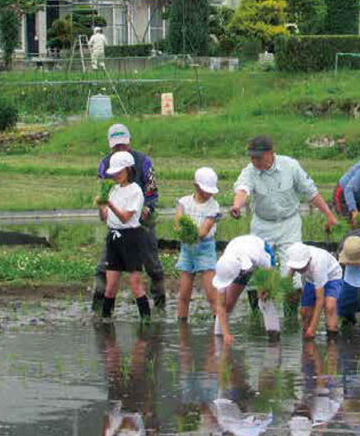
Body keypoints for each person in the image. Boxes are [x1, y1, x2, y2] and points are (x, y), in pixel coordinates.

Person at [92, 124, 165, 312]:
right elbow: (105, 191)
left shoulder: (144, 162)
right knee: (104, 265)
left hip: (141, 217)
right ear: (110, 146)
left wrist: (146, 208)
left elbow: (151, 190)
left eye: (123, 145)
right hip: (117, 221)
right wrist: (103, 206)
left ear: (129, 142)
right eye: (116, 146)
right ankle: (98, 305)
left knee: (152, 263)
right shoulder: (105, 164)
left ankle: (160, 302)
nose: (120, 149)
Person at [230, 134, 338, 256]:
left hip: (289, 225)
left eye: (259, 158)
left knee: (292, 266)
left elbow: (310, 192)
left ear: (271, 153)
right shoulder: (249, 171)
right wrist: (237, 206)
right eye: (252, 158)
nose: (255, 162)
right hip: (262, 225)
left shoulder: (291, 166)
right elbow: (242, 190)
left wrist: (328, 214)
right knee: (260, 267)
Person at [98, 150, 151, 321]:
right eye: (114, 173)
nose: (116, 176)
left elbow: (125, 217)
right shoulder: (113, 189)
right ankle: (105, 320)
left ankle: (146, 320)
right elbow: (105, 218)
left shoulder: (135, 191)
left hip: (131, 238)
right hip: (113, 238)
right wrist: (102, 207)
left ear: (128, 170)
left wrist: (110, 204)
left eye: (119, 172)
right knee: (110, 286)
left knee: (135, 285)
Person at [174, 167, 221, 322]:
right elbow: (178, 223)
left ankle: (219, 326)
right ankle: (182, 325)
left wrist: (188, 236)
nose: (209, 194)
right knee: (184, 294)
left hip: (205, 249)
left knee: (212, 295)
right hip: (186, 249)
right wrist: (182, 233)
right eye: (205, 190)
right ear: (196, 186)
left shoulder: (213, 206)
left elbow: (203, 231)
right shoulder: (184, 202)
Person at [211, 234, 276, 345]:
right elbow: (221, 305)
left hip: (261, 253)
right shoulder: (224, 268)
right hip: (238, 255)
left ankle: (274, 337)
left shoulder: (257, 256)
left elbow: (269, 271)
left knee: (265, 300)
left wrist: (265, 287)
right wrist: (226, 334)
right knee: (228, 303)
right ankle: (218, 338)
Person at [285, 243, 344, 340]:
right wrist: (287, 292)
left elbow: (319, 299)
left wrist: (313, 328)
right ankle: (307, 345)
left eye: (302, 267)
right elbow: (288, 277)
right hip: (311, 280)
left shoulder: (318, 264)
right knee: (305, 313)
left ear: (308, 260)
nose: (299, 270)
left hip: (332, 277)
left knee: (330, 306)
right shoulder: (295, 255)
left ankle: (332, 343)